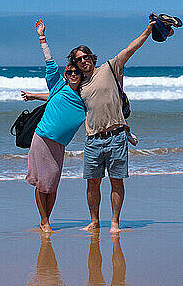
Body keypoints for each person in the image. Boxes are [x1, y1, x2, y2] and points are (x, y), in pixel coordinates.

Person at [69, 19, 156, 233]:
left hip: (116, 137)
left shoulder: (110, 67)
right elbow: (57, 98)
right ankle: (94, 221)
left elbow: (130, 49)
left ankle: (115, 222)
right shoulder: (78, 85)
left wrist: (148, 30)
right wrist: (34, 96)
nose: (83, 61)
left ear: (92, 57)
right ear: (76, 63)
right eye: (79, 60)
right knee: (92, 183)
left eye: (86, 57)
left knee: (117, 182)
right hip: (93, 140)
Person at [21, 19, 86, 233]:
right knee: (42, 183)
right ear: (66, 75)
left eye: (76, 73)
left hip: (59, 144)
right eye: (70, 72)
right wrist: (42, 38)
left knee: (53, 184)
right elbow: (49, 62)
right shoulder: (59, 84)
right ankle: (44, 221)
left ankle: (47, 218)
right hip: (41, 139)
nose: (73, 75)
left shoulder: (85, 95)